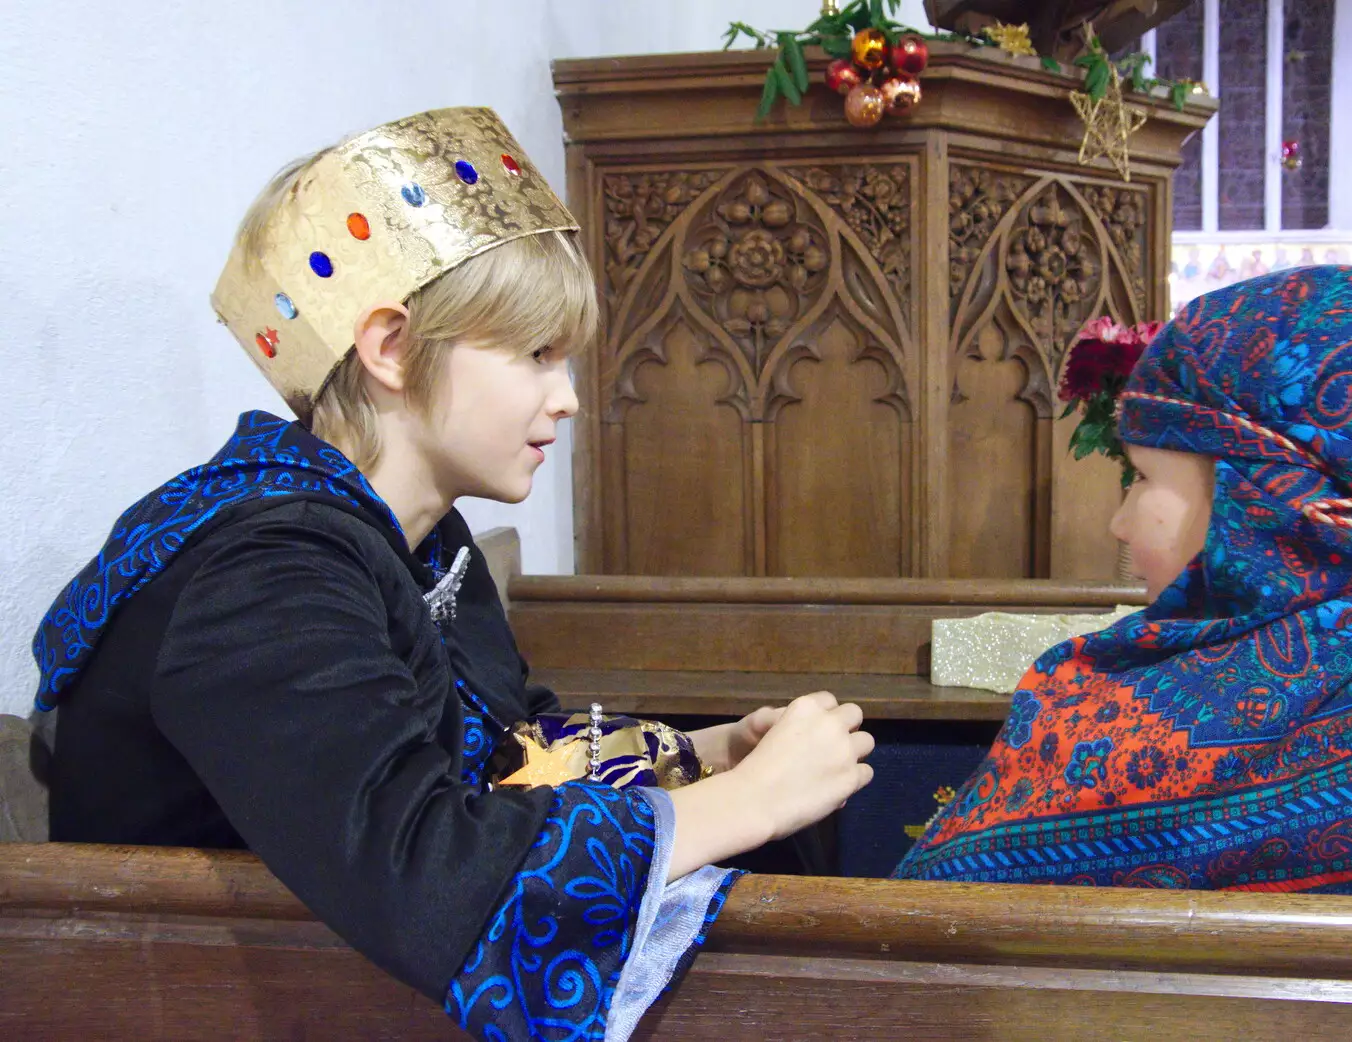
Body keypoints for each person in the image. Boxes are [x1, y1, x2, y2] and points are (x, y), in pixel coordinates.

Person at [34, 107, 875, 1040]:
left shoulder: (420, 536)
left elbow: (502, 749)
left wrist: (709, 752)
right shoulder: (265, 573)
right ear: (391, 348)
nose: (566, 398)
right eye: (535, 355)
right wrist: (746, 802)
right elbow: (424, 873)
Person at [896, 265, 1352, 903]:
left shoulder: (1129, 738)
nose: (1119, 522)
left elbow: (923, 934)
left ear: (1263, 500)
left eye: (1143, 479)